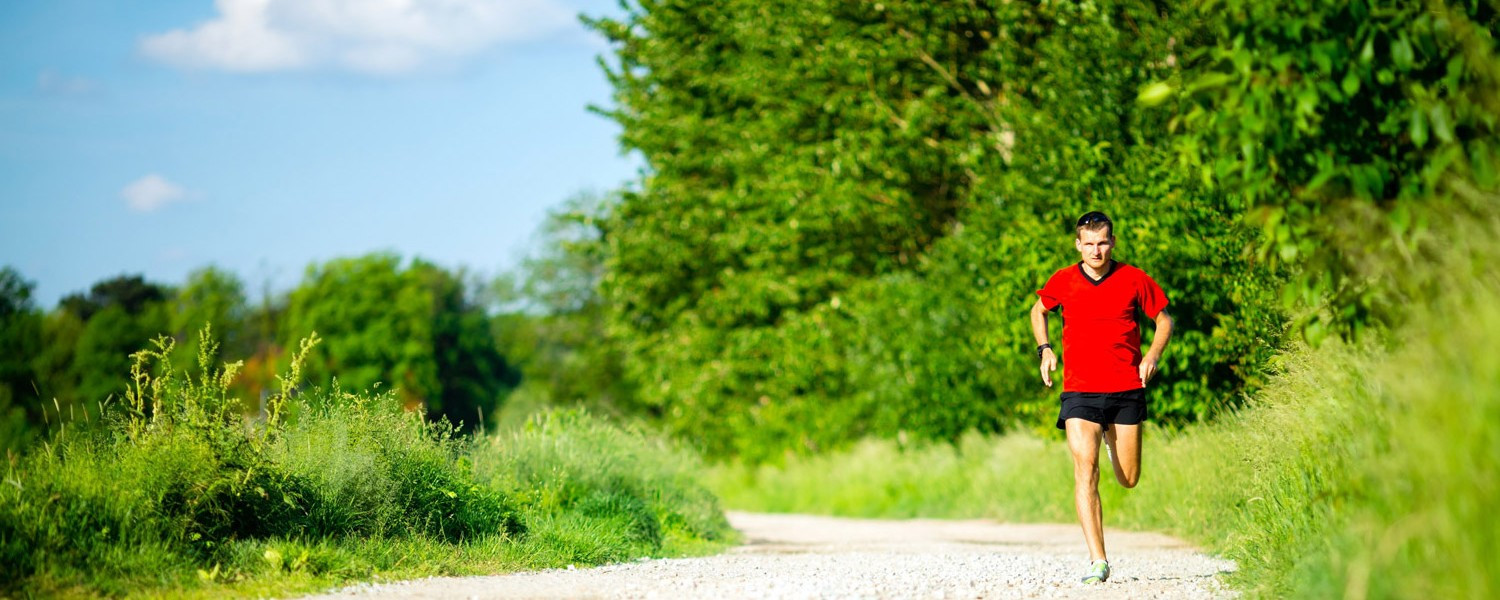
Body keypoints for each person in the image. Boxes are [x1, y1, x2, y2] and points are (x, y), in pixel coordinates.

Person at [1029, 210, 1174, 585]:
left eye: (1103, 242)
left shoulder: (1133, 278)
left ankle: (1114, 441)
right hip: (1079, 389)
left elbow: (1164, 319)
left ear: (1112, 242)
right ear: (1078, 245)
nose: (1096, 250)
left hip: (1126, 387)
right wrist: (1045, 349)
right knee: (1085, 468)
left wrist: (1152, 355)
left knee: (1128, 478)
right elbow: (1038, 310)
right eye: (1089, 244)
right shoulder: (1063, 280)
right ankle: (1098, 560)